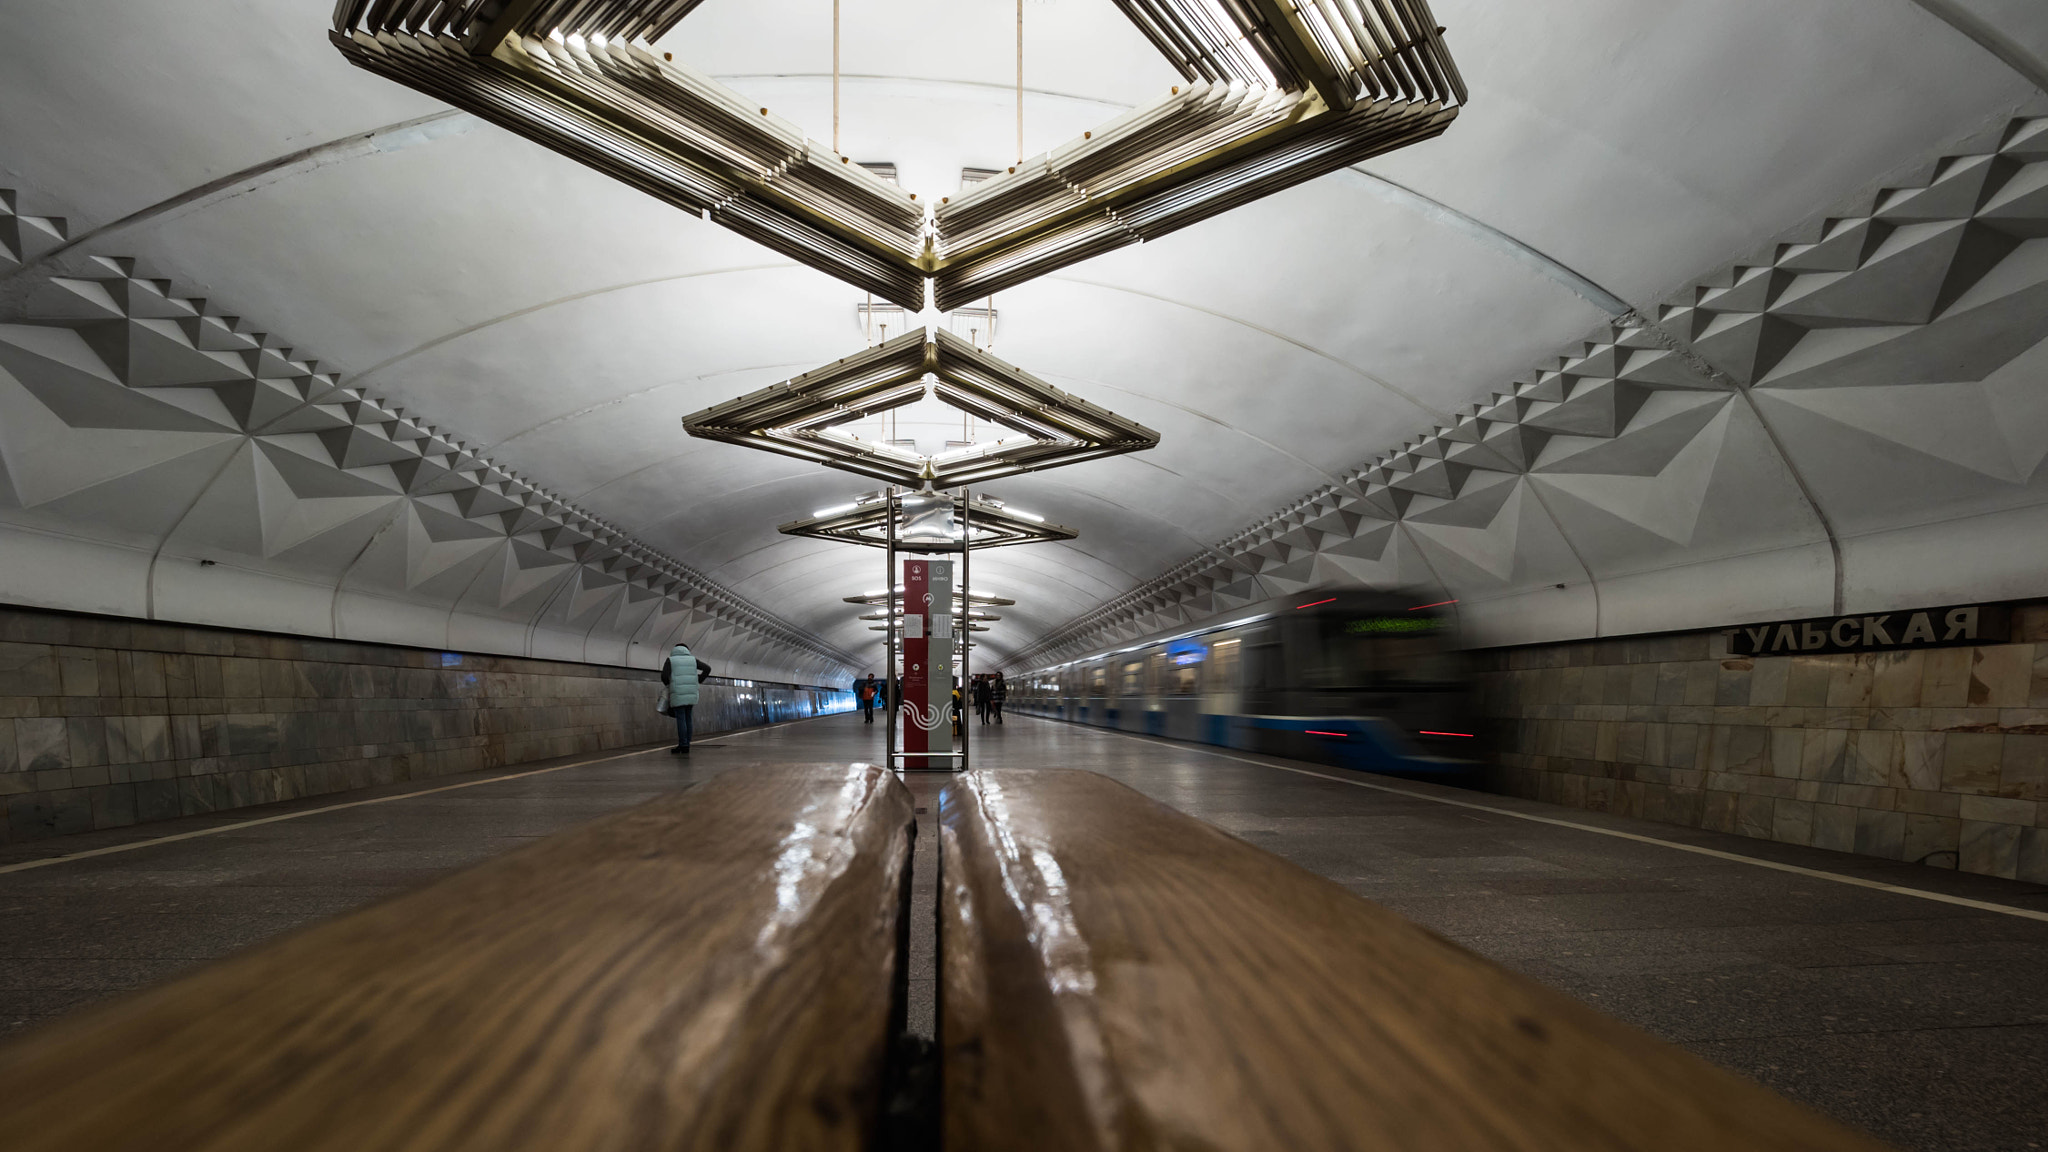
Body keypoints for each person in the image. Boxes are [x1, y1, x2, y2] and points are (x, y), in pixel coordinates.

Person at [661, 641, 712, 753]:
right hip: (691, 692)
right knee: (688, 718)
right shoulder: (693, 660)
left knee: (681, 719)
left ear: (674, 650)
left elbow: (664, 676)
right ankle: (687, 743)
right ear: (687, 650)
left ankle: (683, 744)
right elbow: (707, 668)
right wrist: (699, 680)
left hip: (678, 693)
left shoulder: (671, 660)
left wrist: (669, 685)